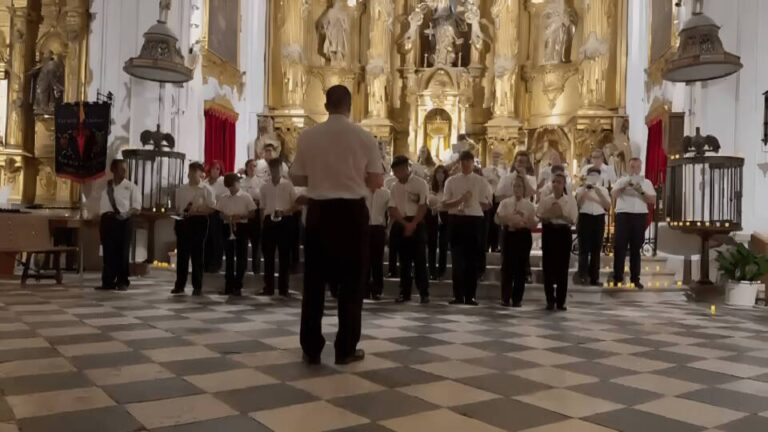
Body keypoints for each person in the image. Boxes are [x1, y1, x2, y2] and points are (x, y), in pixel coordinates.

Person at [291, 85, 384, 365]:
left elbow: (296, 178)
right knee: (352, 284)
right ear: (350, 105)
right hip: (352, 213)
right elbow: (377, 181)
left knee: (315, 283)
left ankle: (311, 346)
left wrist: (323, 178)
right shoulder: (364, 136)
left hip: (320, 212)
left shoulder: (308, 136)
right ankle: (345, 348)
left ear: (325, 103)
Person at [442, 150, 490, 306]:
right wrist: (460, 200)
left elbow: (487, 203)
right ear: (459, 163)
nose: (465, 165)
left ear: (473, 163)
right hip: (456, 219)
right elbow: (445, 203)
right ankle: (458, 295)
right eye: (462, 162)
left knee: (472, 261)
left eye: (468, 162)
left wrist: (474, 203)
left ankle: (471, 296)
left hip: (474, 220)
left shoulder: (480, 181)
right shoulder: (451, 181)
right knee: (457, 260)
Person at [389, 155, 430, 304]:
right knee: (404, 261)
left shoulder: (420, 183)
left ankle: (424, 293)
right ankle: (404, 292)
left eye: (399, 170)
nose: (397, 174)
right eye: (394, 171)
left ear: (406, 168)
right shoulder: (394, 186)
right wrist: (404, 224)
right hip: (401, 222)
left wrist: (412, 224)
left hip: (417, 222)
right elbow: (392, 208)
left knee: (420, 260)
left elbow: (423, 205)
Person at [612, 158, 656, 289]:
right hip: (623, 215)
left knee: (636, 249)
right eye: (632, 167)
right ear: (628, 167)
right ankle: (617, 278)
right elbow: (614, 194)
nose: (634, 169)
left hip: (639, 216)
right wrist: (624, 186)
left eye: (637, 167)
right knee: (620, 247)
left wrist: (640, 190)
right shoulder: (621, 180)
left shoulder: (646, 182)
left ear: (640, 167)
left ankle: (635, 279)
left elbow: (653, 200)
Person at [172, 162, 216, 296]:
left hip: (199, 222)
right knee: (182, 256)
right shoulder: (181, 189)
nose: (191, 175)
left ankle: (197, 286)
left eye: (195, 172)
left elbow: (212, 208)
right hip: (183, 222)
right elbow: (178, 207)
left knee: (197, 255)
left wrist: (198, 210)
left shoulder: (206, 189)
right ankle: (180, 285)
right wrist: (179, 214)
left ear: (201, 174)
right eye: (190, 172)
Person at [537, 172, 578, 311]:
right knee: (548, 268)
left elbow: (573, 219)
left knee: (562, 268)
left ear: (564, 185)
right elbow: (540, 216)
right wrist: (550, 213)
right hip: (549, 231)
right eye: (554, 182)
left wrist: (560, 214)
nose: (556, 185)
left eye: (559, 182)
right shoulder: (546, 200)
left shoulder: (570, 200)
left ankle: (561, 301)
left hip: (563, 232)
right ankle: (549, 300)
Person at [98, 159, 141, 291]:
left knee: (122, 252)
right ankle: (108, 281)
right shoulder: (106, 186)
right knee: (108, 252)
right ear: (113, 170)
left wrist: (126, 214)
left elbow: (137, 207)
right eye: (121, 169)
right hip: (107, 221)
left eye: (125, 169)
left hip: (123, 221)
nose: (124, 171)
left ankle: (122, 281)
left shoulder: (131, 187)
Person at [496, 175, 537, 307]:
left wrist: (524, 220)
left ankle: (517, 298)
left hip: (523, 236)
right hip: (509, 234)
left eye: (519, 186)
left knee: (521, 267)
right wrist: (509, 218)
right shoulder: (505, 203)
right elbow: (497, 219)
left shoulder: (529, 205)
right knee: (507, 266)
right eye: (514, 186)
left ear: (523, 189)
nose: (517, 188)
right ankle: (505, 297)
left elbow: (534, 223)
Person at [259, 158, 298, 297]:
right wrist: (263, 223)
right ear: (270, 170)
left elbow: (296, 204)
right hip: (270, 221)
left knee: (284, 256)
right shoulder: (264, 187)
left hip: (285, 220)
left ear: (282, 169)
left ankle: (283, 288)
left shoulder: (288, 185)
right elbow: (262, 207)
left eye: (278, 168)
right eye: (273, 168)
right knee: (268, 256)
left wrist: (285, 211)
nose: (275, 171)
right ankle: (268, 287)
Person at [216, 173, 257, 296]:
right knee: (229, 257)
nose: (232, 189)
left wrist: (241, 216)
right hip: (227, 226)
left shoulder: (246, 196)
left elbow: (253, 213)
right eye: (229, 187)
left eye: (233, 186)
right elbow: (220, 213)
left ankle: (238, 286)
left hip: (241, 226)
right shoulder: (224, 197)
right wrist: (226, 216)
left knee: (241, 257)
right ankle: (228, 286)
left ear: (237, 183)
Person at [576, 167, 611, 286]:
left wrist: (597, 192)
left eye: (596, 176)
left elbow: (607, 206)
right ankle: (582, 276)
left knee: (596, 249)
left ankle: (594, 277)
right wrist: (586, 190)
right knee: (584, 249)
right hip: (585, 218)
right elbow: (579, 204)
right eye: (591, 176)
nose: (593, 178)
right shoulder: (581, 189)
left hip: (598, 218)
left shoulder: (603, 190)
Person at [365, 173, 390, 300]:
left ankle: (377, 289)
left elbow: (391, 211)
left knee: (377, 261)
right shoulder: (362, 192)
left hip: (379, 228)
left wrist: (388, 229)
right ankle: (364, 289)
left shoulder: (385, 193)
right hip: (364, 228)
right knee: (365, 260)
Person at [242, 159, 265, 275]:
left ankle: (256, 268)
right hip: (244, 214)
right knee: (243, 242)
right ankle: (243, 267)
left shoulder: (261, 183)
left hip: (255, 214)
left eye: (255, 166)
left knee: (256, 242)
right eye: (250, 166)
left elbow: (262, 199)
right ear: (246, 168)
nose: (253, 168)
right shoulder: (241, 182)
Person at [204, 160, 227, 273]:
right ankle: (206, 263)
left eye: (218, 169)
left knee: (216, 239)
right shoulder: (206, 182)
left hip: (217, 213)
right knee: (206, 239)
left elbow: (225, 198)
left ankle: (216, 264)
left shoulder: (222, 182)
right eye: (213, 168)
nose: (215, 171)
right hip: (206, 213)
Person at [427, 165, 449, 280]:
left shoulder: (448, 188)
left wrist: (440, 205)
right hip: (433, 217)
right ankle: (432, 271)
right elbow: (428, 202)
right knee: (432, 244)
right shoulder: (431, 188)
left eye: (442, 173)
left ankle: (441, 270)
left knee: (443, 245)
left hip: (445, 216)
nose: (440, 175)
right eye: (438, 173)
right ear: (435, 175)